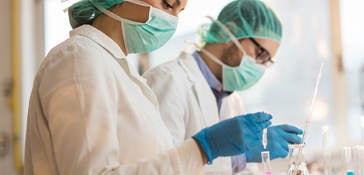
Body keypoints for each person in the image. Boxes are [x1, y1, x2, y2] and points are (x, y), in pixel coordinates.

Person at [24, 0, 273, 174]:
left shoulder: (119, 71)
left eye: (179, 11)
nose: (170, 20)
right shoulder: (79, 59)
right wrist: (203, 148)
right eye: (167, 4)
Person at [143, 0, 303, 173]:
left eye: (267, 61)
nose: (261, 66)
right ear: (232, 31)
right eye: (261, 54)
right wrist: (239, 157)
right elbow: (160, 168)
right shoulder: (168, 80)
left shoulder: (232, 100)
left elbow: (245, 171)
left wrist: (247, 158)